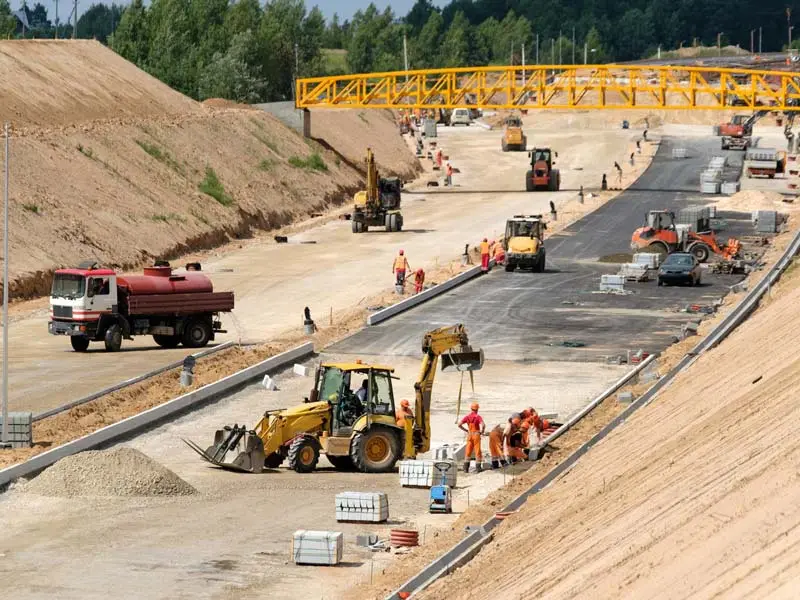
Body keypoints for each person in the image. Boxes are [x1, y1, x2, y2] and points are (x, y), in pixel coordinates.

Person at [458, 402, 485, 472]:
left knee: (468, 451)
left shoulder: (467, 417)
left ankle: (465, 468)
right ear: (477, 409)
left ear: (471, 409)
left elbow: (459, 424)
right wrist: (482, 431)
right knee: (477, 451)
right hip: (476, 435)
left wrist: (466, 430)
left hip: (469, 435)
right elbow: (483, 425)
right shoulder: (478, 417)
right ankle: (478, 468)